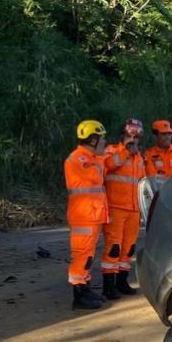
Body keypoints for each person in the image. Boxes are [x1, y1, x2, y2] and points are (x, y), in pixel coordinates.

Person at [64, 120, 109, 311]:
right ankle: (79, 295)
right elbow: (96, 176)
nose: (105, 142)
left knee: (88, 255)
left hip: (91, 214)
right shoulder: (78, 159)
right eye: (102, 139)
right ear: (92, 140)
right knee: (81, 256)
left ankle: (85, 288)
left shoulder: (92, 158)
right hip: (83, 215)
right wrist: (104, 157)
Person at [101, 118, 145, 300]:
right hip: (115, 207)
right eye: (130, 136)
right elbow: (108, 165)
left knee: (129, 247)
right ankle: (108, 285)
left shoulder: (139, 157)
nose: (133, 139)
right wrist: (126, 151)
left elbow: (142, 182)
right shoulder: (112, 150)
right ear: (123, 135)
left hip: (133, 209)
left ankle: (121, 281)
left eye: (137, 137)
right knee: (114, 247)